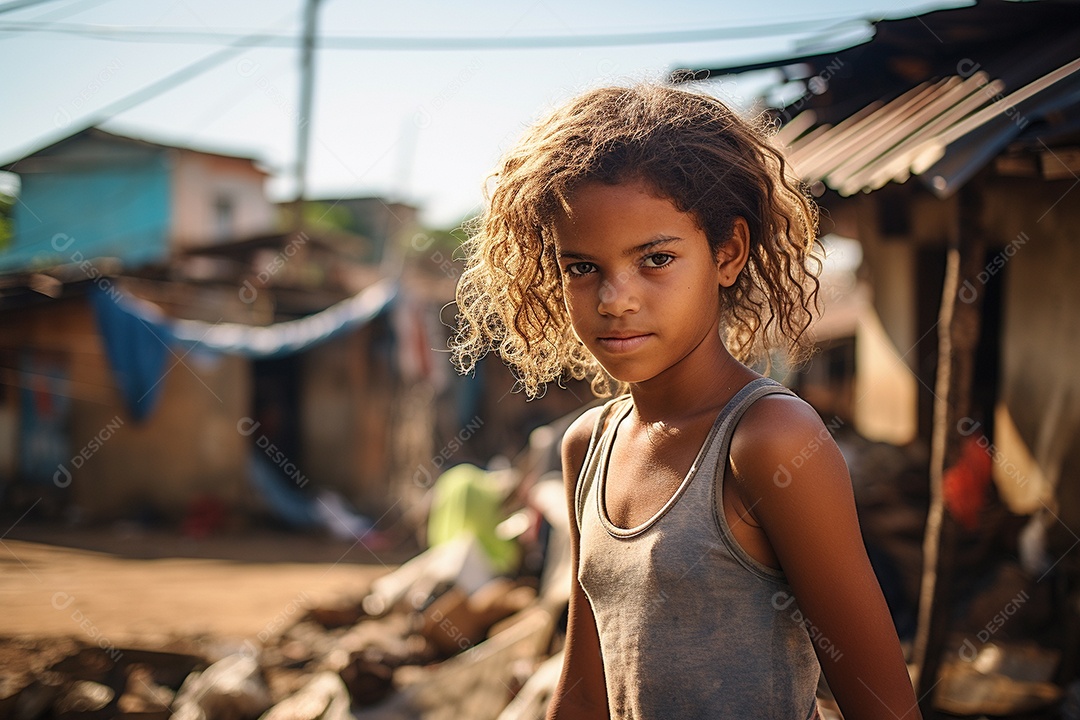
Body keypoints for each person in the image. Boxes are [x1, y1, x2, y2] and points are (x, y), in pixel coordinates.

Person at [451, 83, 920, 720]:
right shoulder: (588, 446)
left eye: (656, 259)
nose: (615, 298)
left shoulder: (767, 440)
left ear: (727, 254)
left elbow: (883, 707)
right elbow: (586, 690)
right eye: (582, 267)